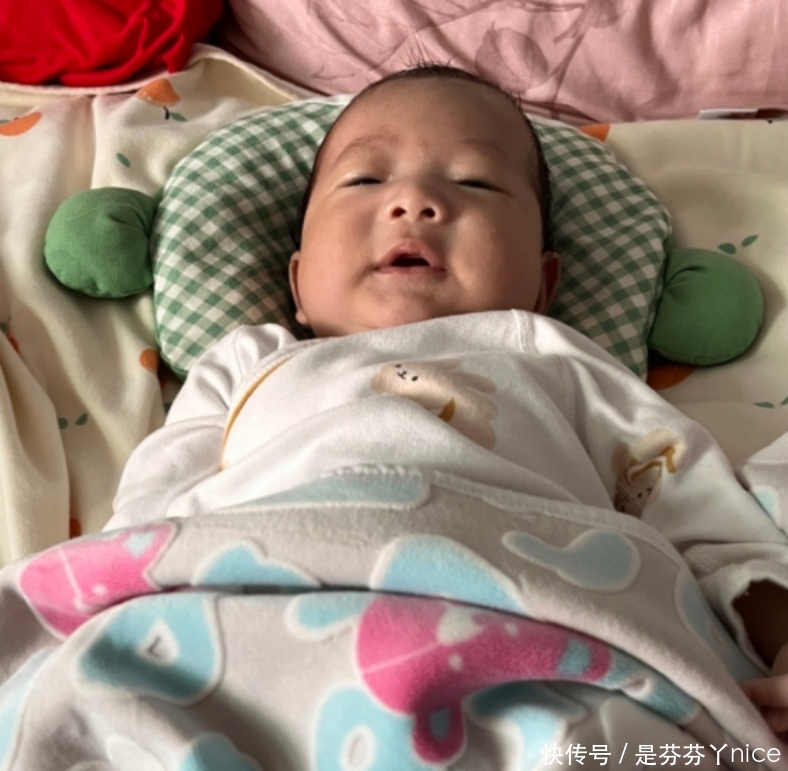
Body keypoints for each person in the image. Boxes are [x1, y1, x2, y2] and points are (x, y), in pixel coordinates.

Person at [105, 64, 788, 734]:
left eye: (474, 181)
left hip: (538, 629)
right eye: (365, 179)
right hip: (253, 616)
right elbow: (148, 512)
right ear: (299, 281)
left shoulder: (560, 361)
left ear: (543, 285)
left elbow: (706, 521)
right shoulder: (250, 360)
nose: (414, 202)